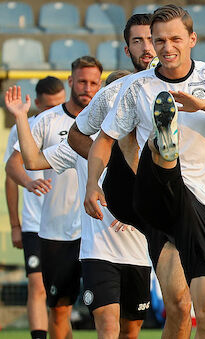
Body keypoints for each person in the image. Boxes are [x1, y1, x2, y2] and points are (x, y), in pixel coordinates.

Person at [84, 5, 205, 337]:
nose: (167, 47)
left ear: (192, 39)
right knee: (178, 305)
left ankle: (164, 142)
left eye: (175, 39)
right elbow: (104, 140)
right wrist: (92, 184)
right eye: (160, 40)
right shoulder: (136, 87)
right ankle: (162, 144)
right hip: (160, 201)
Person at [67, 13, 193, 338]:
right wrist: (103, 171)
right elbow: (77, 135)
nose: (148, 47)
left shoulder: (190, 83)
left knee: (180, 308)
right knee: (112, 326)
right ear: (128, 49)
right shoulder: (114, 91)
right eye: (138, 41)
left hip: (173, 207)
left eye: (152, 39)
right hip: (128, 209)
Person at [4, 70, 151, 338]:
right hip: (97, 250)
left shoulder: (149, 141)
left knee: (130, 331)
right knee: (106, 325)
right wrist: (21, 118)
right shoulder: (84, 142)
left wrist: (133, 212)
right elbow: (33, 161)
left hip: (137, 251)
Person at [5, 56, 103, 339]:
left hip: (97, 232)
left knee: (106, 311)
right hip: (56, 231)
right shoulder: (47, 120)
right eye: (82, 81)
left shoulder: (109, 122)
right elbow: (17, 162)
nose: (87, 88)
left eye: (94, 82)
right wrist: (27, 182)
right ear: (71, 81)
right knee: (59, 310)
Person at [3, 77, 65, 339]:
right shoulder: (22, 128)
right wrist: (16, 225)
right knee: (37, 286)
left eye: (59, 104)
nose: (55, 110)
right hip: (34, 223)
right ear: (37, 103)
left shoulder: (72, 125)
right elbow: (10, 175)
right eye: (50, 105)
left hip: (66, 223)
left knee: (61, 302)